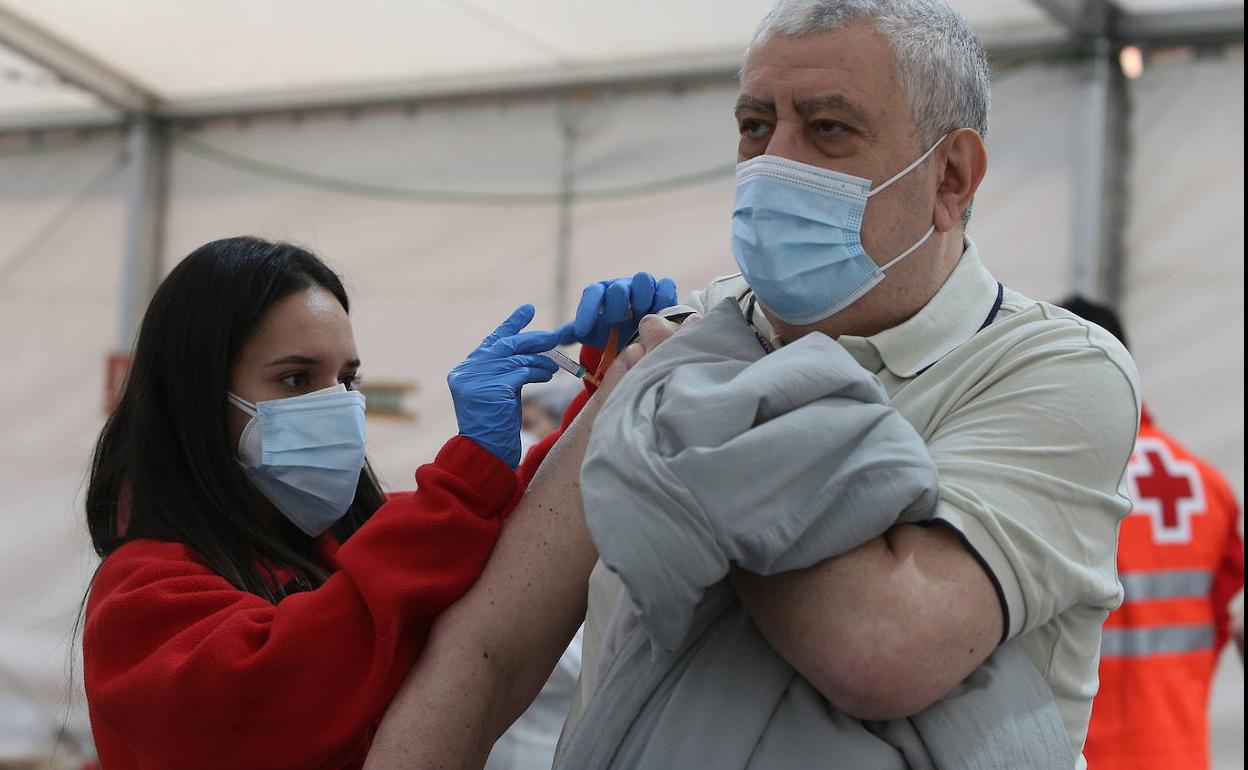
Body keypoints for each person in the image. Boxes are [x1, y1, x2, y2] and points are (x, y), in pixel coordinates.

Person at [365, 2, 1141, 768]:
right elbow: (491, 648)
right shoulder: (696, 332)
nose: (776, 163)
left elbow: (882, 644)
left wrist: (695, 408)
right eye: (756, 125)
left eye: (828, 127)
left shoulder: (1052, 368)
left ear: (951, 175)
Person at [80, 235, 675, 769]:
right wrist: (466, 479)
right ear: (193, 399)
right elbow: (281, 688)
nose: (336, 404)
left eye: (346, 379)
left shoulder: (355, 543)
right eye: (295, 379)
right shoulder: (140, 595)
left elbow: (519, 537)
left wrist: (603, 391)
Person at [1059, 296, 1244, 770]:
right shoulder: (1209, 487)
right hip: (1178, 753)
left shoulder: (1058, 478)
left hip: (1076, 754)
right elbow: (1221, 617)